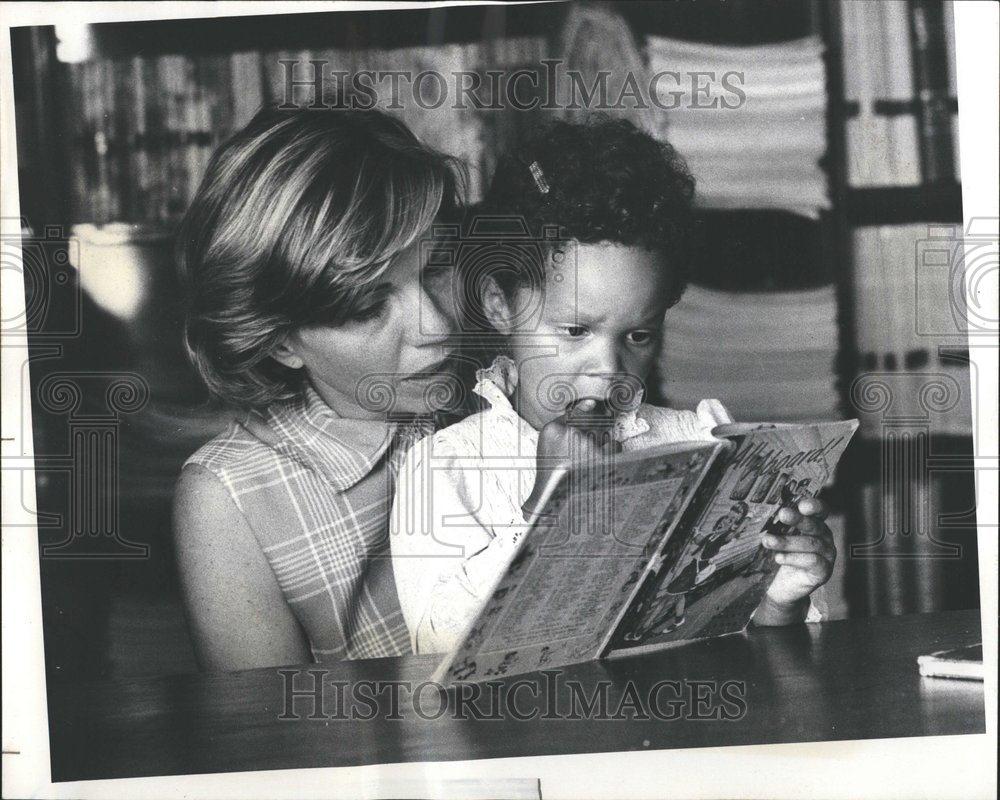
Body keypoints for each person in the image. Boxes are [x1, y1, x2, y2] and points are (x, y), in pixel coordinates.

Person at [389, 117, 836, 655]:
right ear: (499, 305)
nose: (608, 367)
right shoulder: (446, 467)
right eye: (575, 330)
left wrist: (781, 598)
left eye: (639, 334)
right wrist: (546, 508)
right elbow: (436, 643)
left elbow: (756, 647)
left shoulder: (700, 442)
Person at [172, 105, 466, 671]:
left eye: (437, 269)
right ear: (281, 342)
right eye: (368, 306)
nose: (439, 326)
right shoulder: (227, 499)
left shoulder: (504, 389)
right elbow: (276, 740)